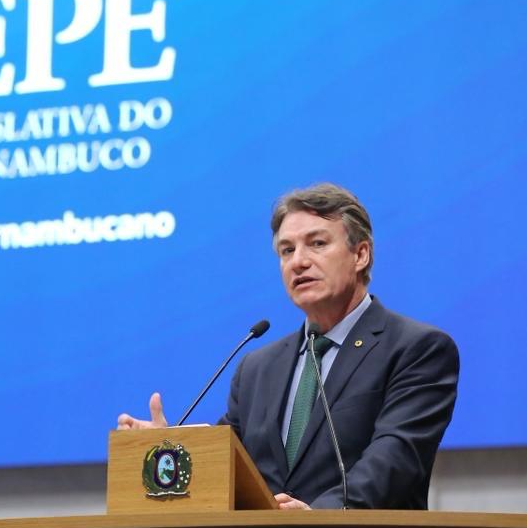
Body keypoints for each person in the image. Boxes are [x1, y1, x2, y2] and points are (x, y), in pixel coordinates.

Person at [118, 183, 459, 509]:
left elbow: (395, 461)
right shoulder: (256, 368)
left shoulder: (416, 349)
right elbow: (227, 470)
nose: (298, 261)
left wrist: (317, 516)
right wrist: (172, 450)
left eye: (317, 243)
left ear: (361, 255)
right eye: (287, 250)